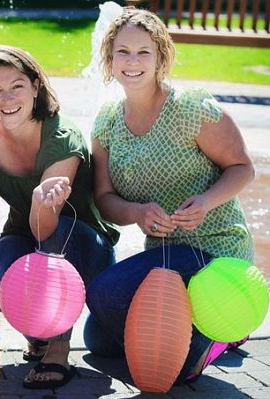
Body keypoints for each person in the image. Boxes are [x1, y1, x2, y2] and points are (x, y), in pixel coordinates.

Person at [85, 8, 255, 384]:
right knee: (96, 338)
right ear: (109, 59)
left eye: (144, 52)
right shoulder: (107, 123)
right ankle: (213, 327)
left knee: (104, 295)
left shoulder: (190, 109)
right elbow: (104, 198)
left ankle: (208, 339)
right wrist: (137, 212)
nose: (132, 62)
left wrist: (207, 201)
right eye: (122, 52)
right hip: (165, 255)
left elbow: (243, 168)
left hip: (215, 250)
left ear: (161, 57)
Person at [0, 45, 118, 390]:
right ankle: (39, 332)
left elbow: (46, 227)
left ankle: (58, 347)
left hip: (81, 247)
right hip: (27, 236)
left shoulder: (61, 138)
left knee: (53, 240)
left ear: (36, 86)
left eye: (17, 86)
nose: (7, 98)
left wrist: (42, 201)